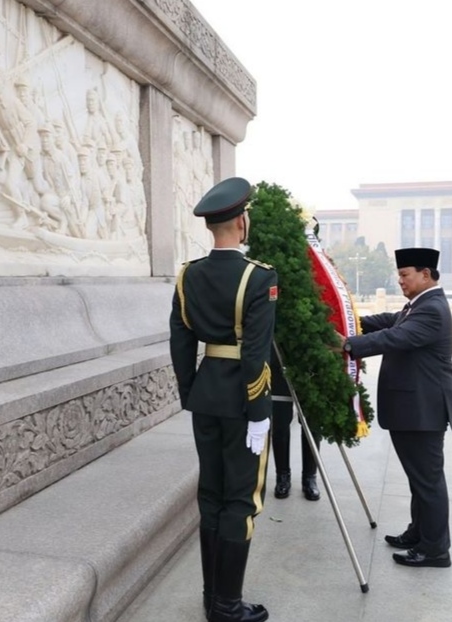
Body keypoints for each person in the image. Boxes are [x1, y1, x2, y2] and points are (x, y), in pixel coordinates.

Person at [169, 177, 275, 622]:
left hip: (207, 394)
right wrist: (258, 412)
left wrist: (190, 391)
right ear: (241, 220)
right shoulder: (258, 276)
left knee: (210, 494)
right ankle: (227, 608)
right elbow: (254, 352)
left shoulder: (188, 274)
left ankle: (213, 596)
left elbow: (180, 340)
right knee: (241, 501)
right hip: (241, 401)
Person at [340, 247, 452, 568]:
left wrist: (347, 344)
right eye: (399, 275)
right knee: (419, 478)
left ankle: (435, 550)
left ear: (426, 274)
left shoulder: (432, 309)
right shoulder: (417, 305)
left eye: (405, 275)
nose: (400, 281)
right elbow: (384, 322)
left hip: (424, 409)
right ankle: (420, 533)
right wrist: (346, 319)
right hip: (414, 407)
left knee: (428, 480)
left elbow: (395, 337)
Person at [270, 350, 321, 501]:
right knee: (280, 422)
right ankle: (282, 476)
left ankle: (310, 477)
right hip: (279, 356)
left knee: (312, 424)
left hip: (311, 358)